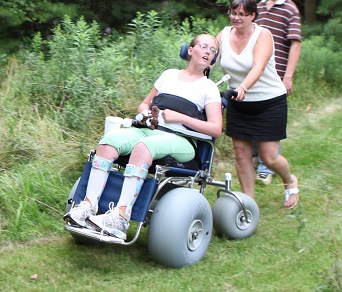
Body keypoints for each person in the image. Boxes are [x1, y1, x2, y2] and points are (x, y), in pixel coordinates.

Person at [64, 34, 224, 239]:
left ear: (213, 59)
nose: (208, 52)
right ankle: (87, 207)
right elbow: (144, 103)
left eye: (213, 51)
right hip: (150, 129)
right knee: (107, 143)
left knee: (143, 147)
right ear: (190, 50)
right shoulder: (168, 75)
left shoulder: (208, 87)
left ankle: (120, 217)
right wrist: (145, 114)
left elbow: (215, 129)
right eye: (204, 47)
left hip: (182, 140)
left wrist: (179, 117)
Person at [219, 0, 300, 208]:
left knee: (269, 157)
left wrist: (244, 86)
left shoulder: (263, 35)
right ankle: (249, 204)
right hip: (238, 103)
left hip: (269, 102)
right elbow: (211, 59)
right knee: (240, 154)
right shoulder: (224, 35)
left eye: (242, 14)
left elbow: (259, 67)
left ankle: (290, 181)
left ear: (253, 15)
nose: (236, 18)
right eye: (233, 13)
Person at [252, 0, 302, 184]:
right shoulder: (259, 7)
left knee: (269, 120)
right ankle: (257, 157)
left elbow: (295, 44)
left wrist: (288, 76)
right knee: (252, 114)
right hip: (255, 72)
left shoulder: (290, 9)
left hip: (276, 75)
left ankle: (266, 166)